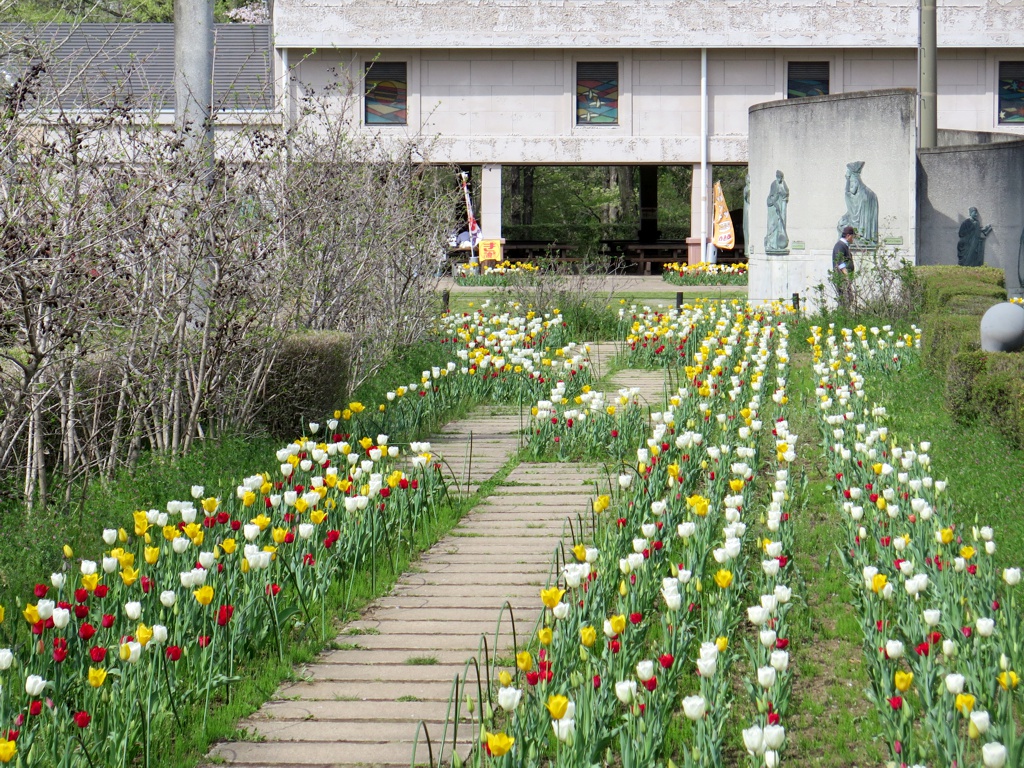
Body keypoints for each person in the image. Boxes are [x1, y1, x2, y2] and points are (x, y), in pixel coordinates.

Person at [764, 170, 789, 253]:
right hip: (773, 208)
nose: (779, 179)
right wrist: (775, 204)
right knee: (772, 225)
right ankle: (770, 244)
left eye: (780, 178)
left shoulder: (782, 184)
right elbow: (771, 197)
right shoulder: (774, 184)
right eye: (778, 177)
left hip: (779, 208)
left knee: (778, 225)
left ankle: (776, 244)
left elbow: (785, 193)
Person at [832, 225, 856, 309]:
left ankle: (844, 315)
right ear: (848, 236)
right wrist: (846, 275)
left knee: (848, 298)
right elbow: (840, 261)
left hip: (844, 278)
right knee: (845, 299)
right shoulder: (840, 245)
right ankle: (842, 315)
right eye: (852, 237)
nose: (853, 239)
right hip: (842, 278)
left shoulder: (844, 245)